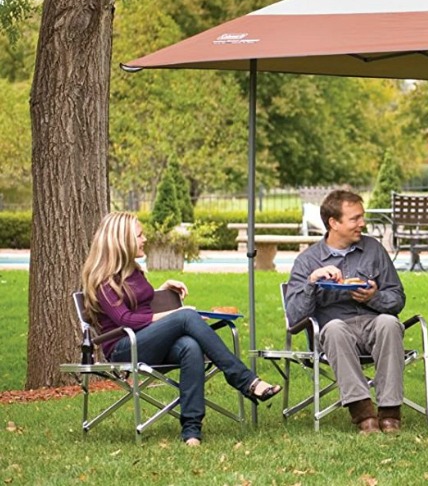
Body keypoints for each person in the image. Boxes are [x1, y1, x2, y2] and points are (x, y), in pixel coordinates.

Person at [81, 212, 280, 446]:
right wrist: (174, 314)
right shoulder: (103, 280)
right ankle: (246, 381)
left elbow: (138, 305)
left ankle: (191, 430)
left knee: (190, 346)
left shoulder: (132, 270)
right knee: (186, 315)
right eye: (139, 235)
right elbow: (126, 319)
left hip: (145, 342)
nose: (144, 239)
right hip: (124, 347)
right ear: (121, 241)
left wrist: (160, 292)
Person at [285, 189, 407, 434]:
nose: (362, 223)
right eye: (355, 219)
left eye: (362, 217)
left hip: (373, 326)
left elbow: (397, 298)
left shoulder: (373, 250)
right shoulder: (308, 261)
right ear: (334, 223)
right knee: (335, 328)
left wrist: (375, 297)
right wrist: (312, 283)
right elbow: (295, 317)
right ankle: (364, 415)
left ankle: (390, 414)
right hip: (334, 331)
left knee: (390, 323)